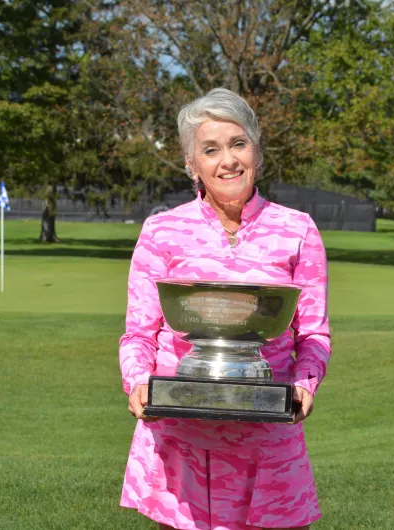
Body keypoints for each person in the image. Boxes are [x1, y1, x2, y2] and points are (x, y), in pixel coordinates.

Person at [119, 88, 331, 530]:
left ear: (257, 150)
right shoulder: (162, 230)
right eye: (210, 149)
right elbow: (139, 333)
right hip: (182, 440)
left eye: (238, 143)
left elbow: (312, 334)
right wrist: (138, 382)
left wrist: (305, 383)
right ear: (191, 165)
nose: (228, 160)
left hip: (268, 438)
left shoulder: (297, 230)